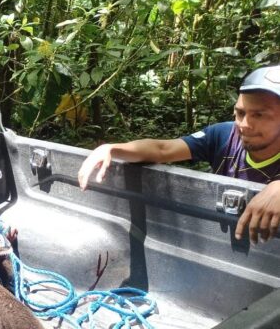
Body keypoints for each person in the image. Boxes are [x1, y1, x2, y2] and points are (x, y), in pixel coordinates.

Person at [78, 65, 280, 244]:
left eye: (259, 115)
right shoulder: (225, 135)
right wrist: (112, 149)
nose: (244, 124)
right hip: (218, 246)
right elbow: (163, 149)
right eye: (241, 113)